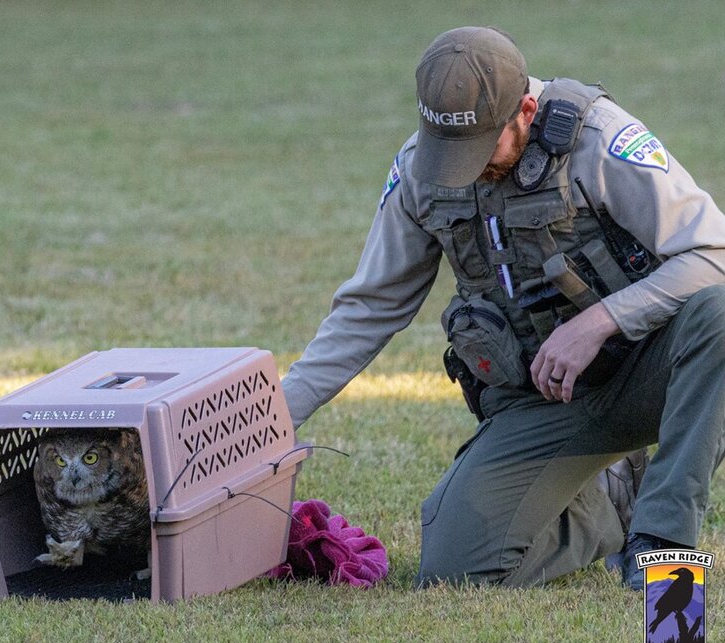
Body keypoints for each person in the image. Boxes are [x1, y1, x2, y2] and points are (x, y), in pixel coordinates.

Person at [281, 26, 725, 590]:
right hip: (540, 401)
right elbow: (369, 306)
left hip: (647, 375)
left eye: (480, 148)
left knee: (719, 315)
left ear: (527, 110)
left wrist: (603, 319)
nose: (462, 168)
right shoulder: (421, 170)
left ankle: (666, 558)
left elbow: (715, 251)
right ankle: (621, 496)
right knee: (453, 571)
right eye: (450, 152)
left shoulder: (600, 140)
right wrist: (278, 418)